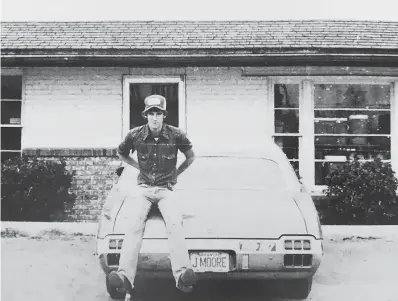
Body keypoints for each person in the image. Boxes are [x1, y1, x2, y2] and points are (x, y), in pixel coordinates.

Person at [108, 94, 197, 300]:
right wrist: (136, 165)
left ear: (164, 115)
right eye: (151, 114)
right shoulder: (135, 135)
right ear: (145, 115)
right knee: (134, 226)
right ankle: (124, 278)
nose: (155, 118)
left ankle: (183, 275)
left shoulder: (176, 135)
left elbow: (191, 156)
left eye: (158, 113)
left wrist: (176, 173)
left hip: (166, 189)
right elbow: (121, 153)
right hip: (144, 189)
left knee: (175, 223)